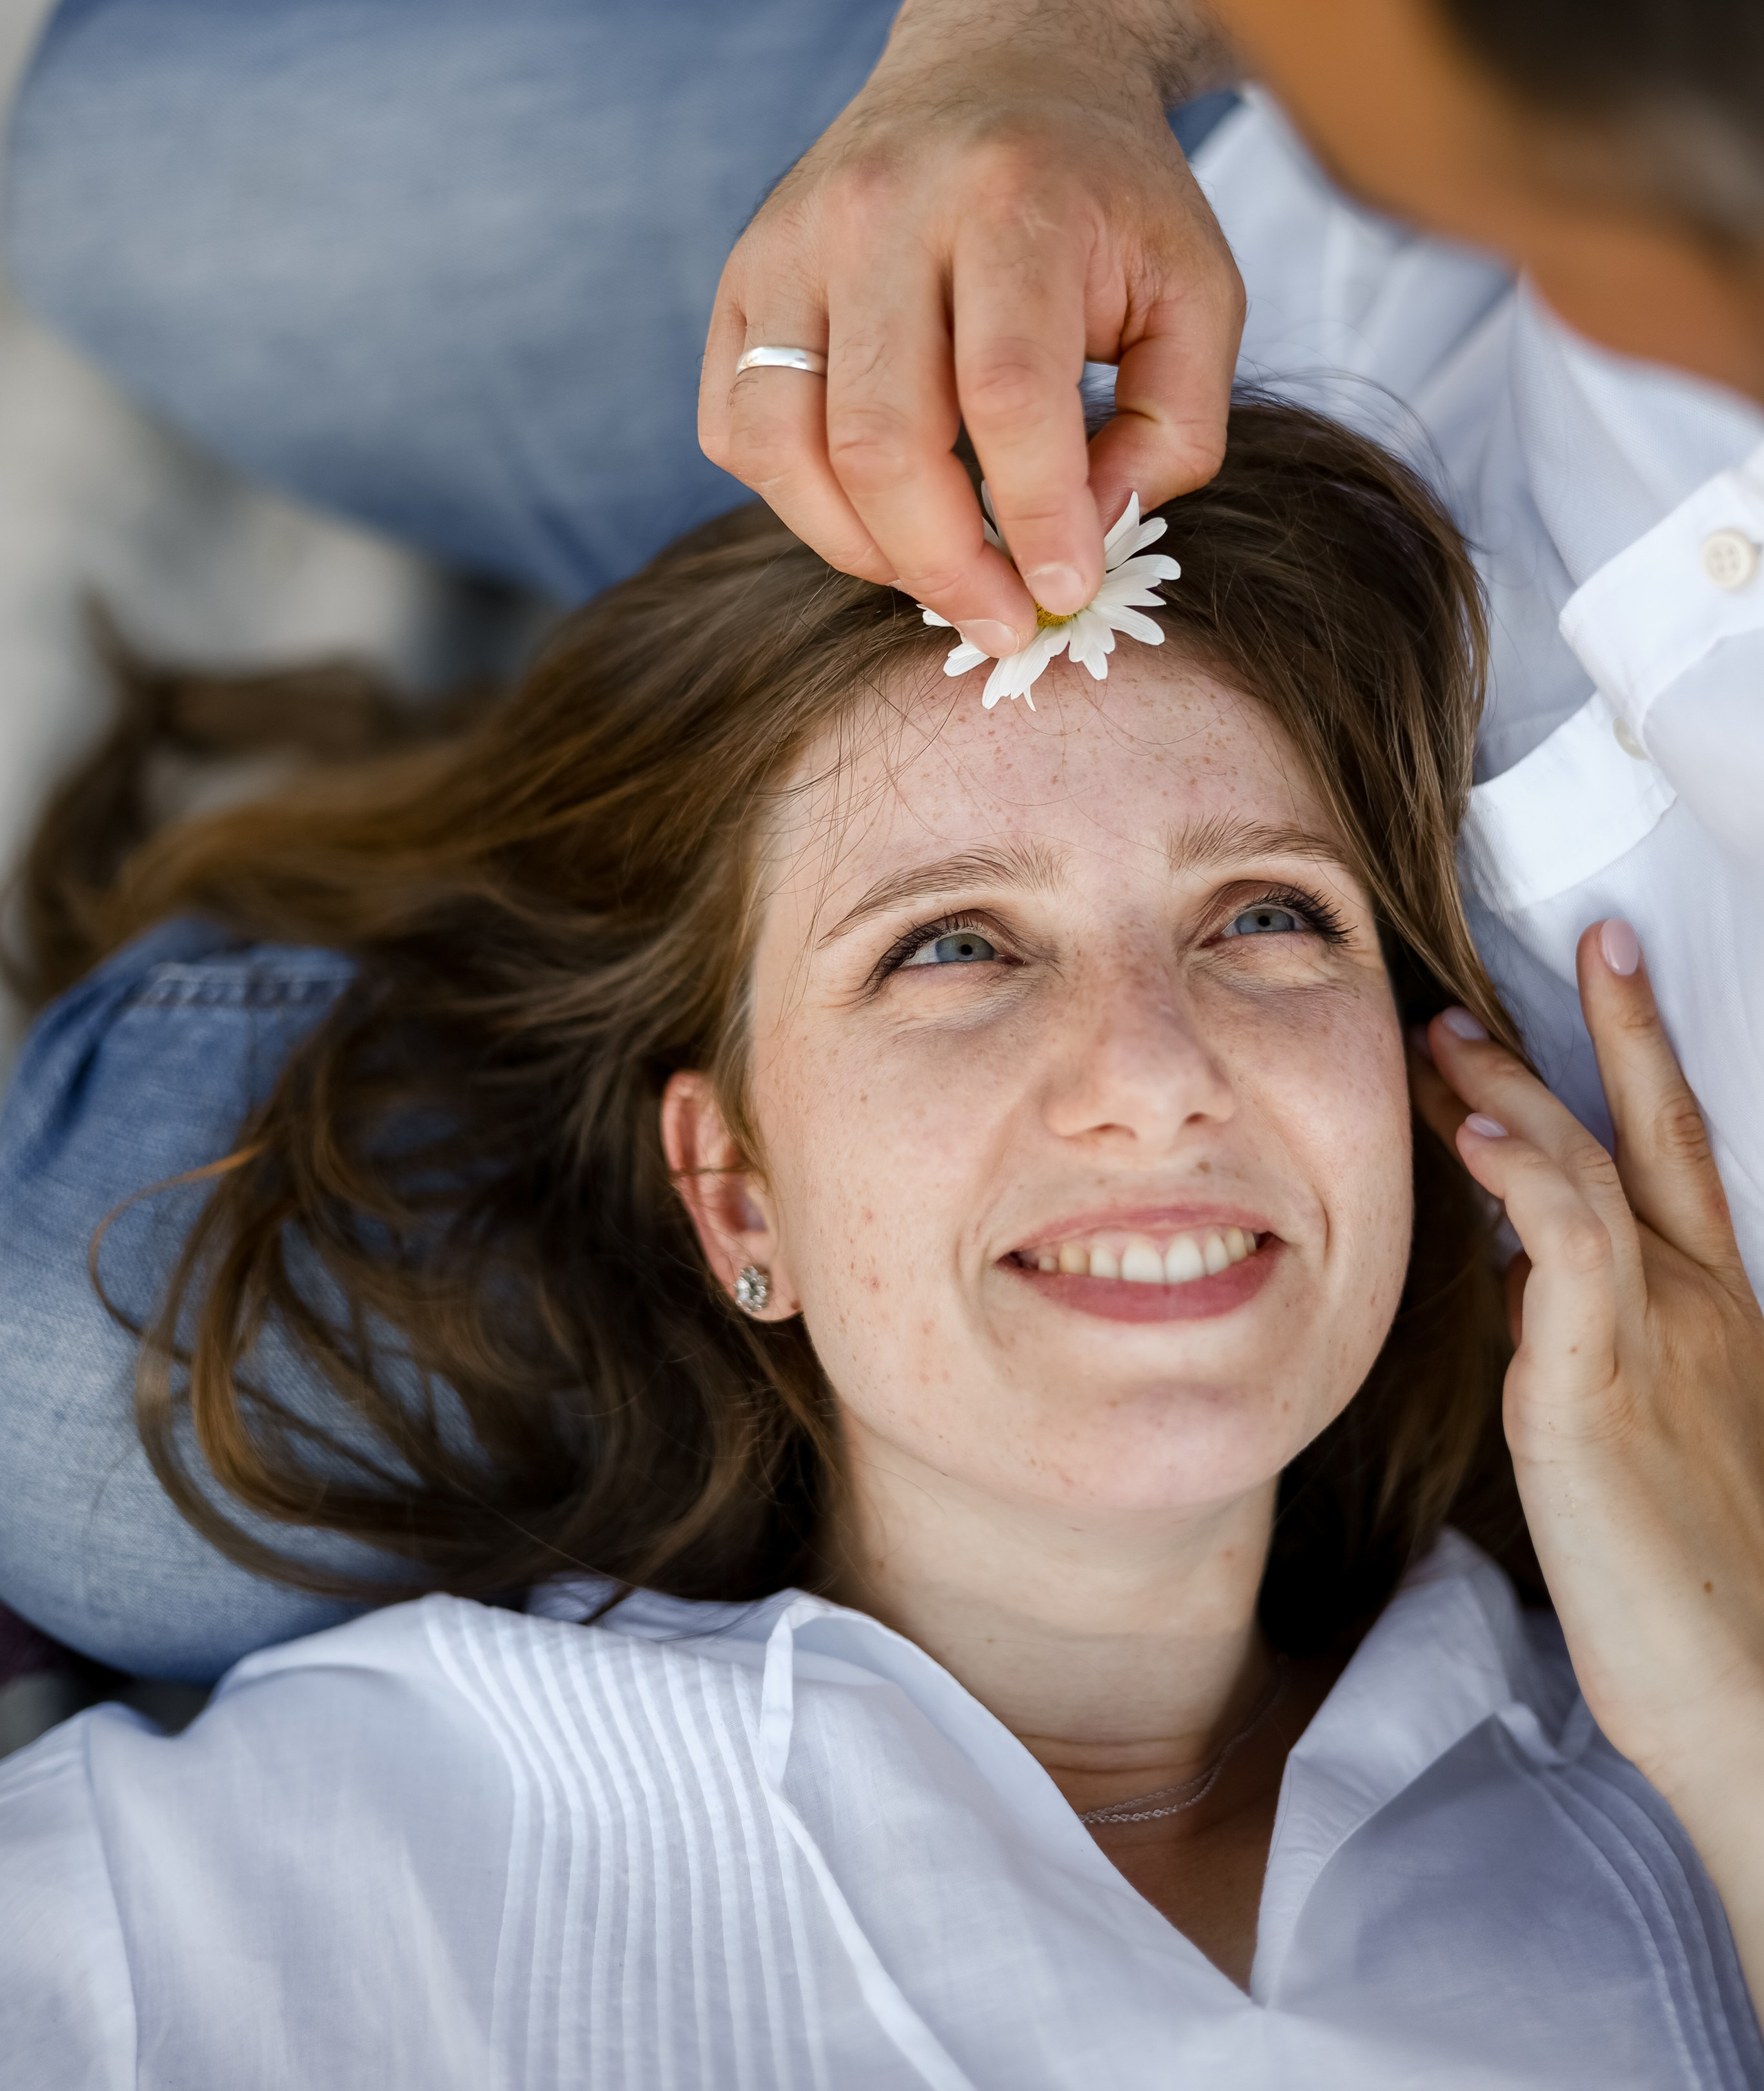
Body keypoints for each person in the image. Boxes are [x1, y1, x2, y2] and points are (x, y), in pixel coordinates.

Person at [2, 400, 1761, 2086]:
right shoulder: (284, 1870)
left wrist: (1731, 1719)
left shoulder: (1683, 1770)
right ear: (736, 1189)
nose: (1152, 1079)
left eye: (1263, 915)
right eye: (952, 949)